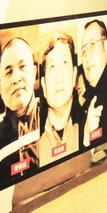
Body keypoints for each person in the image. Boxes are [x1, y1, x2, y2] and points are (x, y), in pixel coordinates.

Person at [0, 38, 40, 186]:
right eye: (9, 72)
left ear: (34, 74)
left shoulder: (51, 115)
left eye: (22, 67)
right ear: (0, 89)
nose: (16, 78)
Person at [39, 33, 80, 166]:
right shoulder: (32, 141)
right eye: (52, 67)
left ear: (74, 75)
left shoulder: (88, 124)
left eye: (65, 63)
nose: (59, 78)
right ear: (44, 85)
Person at [80, 20, 107, 144]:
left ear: (106, 47)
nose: (87, 57)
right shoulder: (86, 103)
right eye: (84, 51)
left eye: (92, 44)